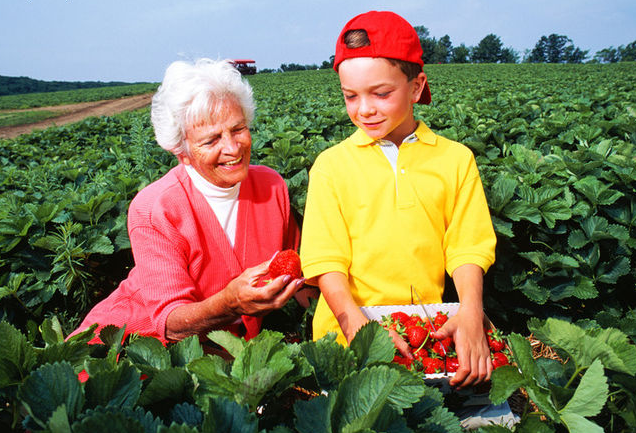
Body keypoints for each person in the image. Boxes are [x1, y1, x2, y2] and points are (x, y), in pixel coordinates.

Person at [300, 11, 497, 388]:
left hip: (420, 327)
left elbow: (468, 246)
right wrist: (356, 327)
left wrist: (471, 310)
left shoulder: (455, 160)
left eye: (381, 93)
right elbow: (325, 260)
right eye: (350, 96)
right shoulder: (330, 166)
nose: (364, 109)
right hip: (345, 330)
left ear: (417, 85)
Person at [68, 58, 304, 346]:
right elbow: (171, 323)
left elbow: (299, 272)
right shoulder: (155, 208)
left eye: (238, 128)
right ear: (182, 151)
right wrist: (230, 304)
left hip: (227, 352)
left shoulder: (271, 187)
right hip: (133, 347)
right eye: (211, 140)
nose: (232, 148)